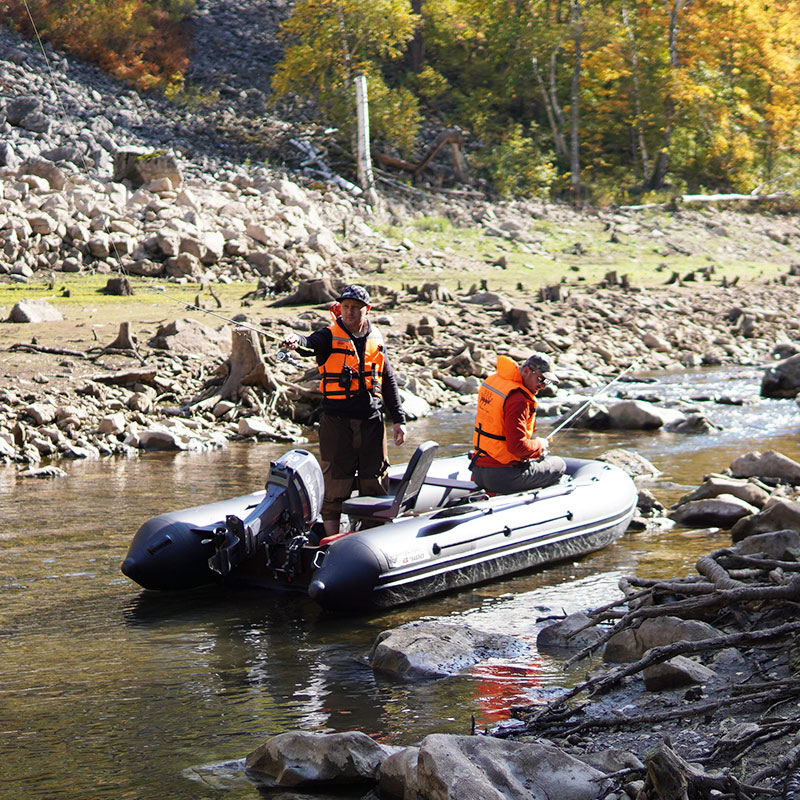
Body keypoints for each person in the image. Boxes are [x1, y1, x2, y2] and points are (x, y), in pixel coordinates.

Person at [282, 284, 407, 534]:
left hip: (372, 422)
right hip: (337, 423)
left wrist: (399, 420)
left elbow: (388, 380)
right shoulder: (328, 336)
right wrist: (297, 341)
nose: (349, 312)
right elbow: (309, 344)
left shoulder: (376, 338)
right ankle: (332, 539)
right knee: (335, 483)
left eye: (355, 308)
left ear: (367, 310)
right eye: (346, 307)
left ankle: (371, 535)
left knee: (375, 481)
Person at [470, 352, 566, 494]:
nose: (543, 386)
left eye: (547, 382)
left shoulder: (493, 381)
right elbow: (517, 447)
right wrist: (539, 445)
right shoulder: (518, 399)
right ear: (526, 371)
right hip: (503, 475)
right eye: (541, 379)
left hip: (478, 471)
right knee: (559, 465)